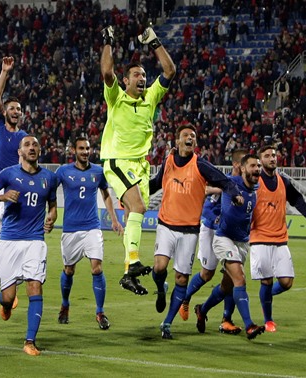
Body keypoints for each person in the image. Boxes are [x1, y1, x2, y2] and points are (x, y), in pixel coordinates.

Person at [100, 25, 176, 295]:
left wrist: (154, 42)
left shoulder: (150, 99)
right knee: (140, 207)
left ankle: (127, 274)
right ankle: (133, 262)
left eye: (144, 75)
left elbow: (169, 71)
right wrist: (108, 41)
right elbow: (107, 72)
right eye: (136, 75)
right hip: (118, 160)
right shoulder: (116, 98)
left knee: (135, 214)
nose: (142, 78)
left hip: (140, 166)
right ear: (126, 80)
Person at [148, 125, 244, 339]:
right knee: (159, 266)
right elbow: (155, 184)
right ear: (178, 141)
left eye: (193, 136)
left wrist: (235, 193)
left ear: (195, 143)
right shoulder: (169, 162)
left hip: (190, 231)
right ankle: (161, 288)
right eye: (185, 135)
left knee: (182, 279)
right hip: (166, 225)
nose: (189, 138)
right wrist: (133, 196)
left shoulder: (201, 165)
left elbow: (224, 181)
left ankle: (167, 324)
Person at [0, 135, 57, 356]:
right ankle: (4, 305)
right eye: (27, 145)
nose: (31, 147)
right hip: (9, 241)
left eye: (35, 145)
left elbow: (53, 206)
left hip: (35, 240)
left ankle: (30, 341)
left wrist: (51, 217)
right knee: (8, 297)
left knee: (35, 286)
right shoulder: (8, 174)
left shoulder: (49, 178)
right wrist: (2, 198)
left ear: (39, 150)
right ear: (19, 152)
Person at [193, 154, 266, 340]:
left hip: (242, 241)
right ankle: (249, 325)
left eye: (258, 166)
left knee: (226, 286)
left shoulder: (256, 187)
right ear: (242, 169)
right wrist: (209, 190)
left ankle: (202, 309)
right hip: (223, 238)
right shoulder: (231, 183)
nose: (257, 169)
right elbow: (213, 183)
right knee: (240, 279)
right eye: (252, 166)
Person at [55, 137, 123, 330]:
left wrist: (114, 219)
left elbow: (106, 195)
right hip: (70, 229)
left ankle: (100, 312)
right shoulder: (63, 171)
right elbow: (50, 192)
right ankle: (65, 304)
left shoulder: (98, 171)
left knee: (97, 268)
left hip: (92, 227)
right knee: (69, 270)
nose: (85, 152)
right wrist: (51, 213)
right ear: (73, 150)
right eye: (81, 148)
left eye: (87, 148)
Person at [249, 145, 306, 332]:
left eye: (273, 155)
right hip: (260, 237)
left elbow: (297, 200)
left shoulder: (283, 182)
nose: (272, 158)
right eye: (267, 156)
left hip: (280, 238)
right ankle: (269, 320)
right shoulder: (255, 182)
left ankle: (266, 298)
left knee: (287, 282)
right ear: (260, 160)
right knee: (267, 280)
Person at [178, 149, 247, 335]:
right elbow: (207, 208)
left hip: (232, 234)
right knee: (207, 273)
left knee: (232, 276)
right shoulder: (222, 181)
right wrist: (216, 219)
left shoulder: (246, 186)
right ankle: (184, 299)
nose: (248, 168)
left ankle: (226, 319)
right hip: (211, 230)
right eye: (244, 164)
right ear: (236, 165)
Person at [0, 56, 28, 238]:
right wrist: (4, 72)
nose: (16, 112)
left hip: (16, 189)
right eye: (12, 108)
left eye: (19, 109)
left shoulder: (24, 137)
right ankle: (5, 267)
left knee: (18, 235)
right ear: (5, 112)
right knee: (1, 237)